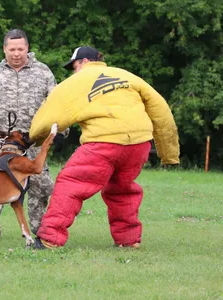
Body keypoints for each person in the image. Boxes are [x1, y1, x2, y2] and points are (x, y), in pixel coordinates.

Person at [29, 46, 180, 249]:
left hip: (103, 142)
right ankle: (128, 241)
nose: (74, 71)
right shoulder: (126, 76)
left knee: (71, 183)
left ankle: (50, 239)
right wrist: (169, 153)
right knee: (122, 190)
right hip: (138, 143)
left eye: (74, 66)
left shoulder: (75, 82)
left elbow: (50, 114)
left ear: (82, 62)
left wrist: (33, 138)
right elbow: (161, 111)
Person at [0, 29, 65, 240]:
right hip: (2, 144)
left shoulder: (43, 72)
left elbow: (57, 103)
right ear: (4, 49)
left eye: (20, 48)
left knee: (39, 187)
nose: (16, 53)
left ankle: (40, 229)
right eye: (11, 49)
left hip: (34, 142)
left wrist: (62, 130)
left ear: (27, 48)